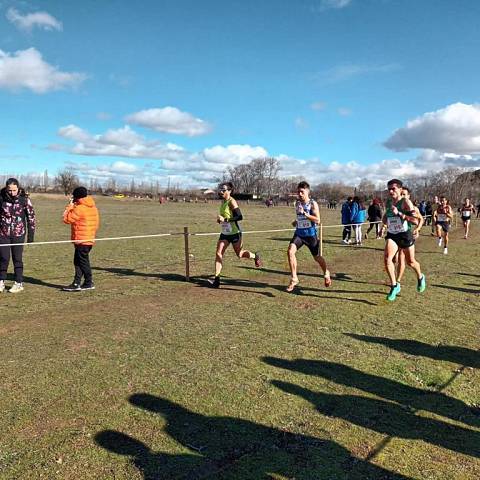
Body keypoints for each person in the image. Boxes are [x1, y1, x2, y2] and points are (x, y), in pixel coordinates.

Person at [209, 182, 261, 288]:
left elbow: (240, 216)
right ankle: (217, 279)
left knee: (240, 254)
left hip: (235, 233)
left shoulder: (231, 202)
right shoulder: (223, 201)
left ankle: (255, 256)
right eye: (220, 189)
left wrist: (226, 219)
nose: (221, 191)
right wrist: (221, 220)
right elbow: (225, 216)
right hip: (225, 233)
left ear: (229, 191)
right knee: (218, 254)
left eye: (223, 190)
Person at [382, 179, 426, 302]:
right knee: (387, 258)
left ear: (400, 190)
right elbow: (387, 215)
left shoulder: (406, 202)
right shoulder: (389, 202)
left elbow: (415, 220)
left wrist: (400, 214)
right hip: (392, 234)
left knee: (410, 262)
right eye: (389, 189)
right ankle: (394, 285)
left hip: (405, 234)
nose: (390, 191)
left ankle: (421, 277)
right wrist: (384, 225)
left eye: (393, 189)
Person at [286, 181, 331, 292]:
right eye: (298, 192)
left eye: (302, 192)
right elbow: (300, 217)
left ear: (307, 192)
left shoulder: (312, 204)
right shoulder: (297, 204)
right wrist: (296, 222)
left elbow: (318, 220)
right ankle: (294, 278)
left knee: (317, 258)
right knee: (290, 251)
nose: (300, 194)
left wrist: (305, 214)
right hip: (299, 234)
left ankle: (326, 273)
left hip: (310, 236)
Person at [0, 178, 36, 293]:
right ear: (6, 189)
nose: (12, 193)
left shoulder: (24, 200)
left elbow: (31, 218)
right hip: (3, 234)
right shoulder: (1, 199)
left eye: (14, 190)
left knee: (17, 258)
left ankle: (18, 282)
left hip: (18, 234)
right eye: (10, 190)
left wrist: (30, 237)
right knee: (3, 258)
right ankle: (1, 281)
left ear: (18, 188)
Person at [62, 187, 100, 291]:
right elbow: (96, 224)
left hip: (81, 240)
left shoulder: (79, 208)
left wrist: (69, 206)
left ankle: (88, 282)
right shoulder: (93, 207)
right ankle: (76, 283)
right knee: (78, 261)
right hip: (89, 238)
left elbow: (66, 219)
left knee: (82, 262)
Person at [396, 187, 424, 284]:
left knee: (410, 262)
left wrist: (417, 229)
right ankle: (397, 282)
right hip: (397, 235)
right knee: (400, 258)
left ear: (408, 196)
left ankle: (420, 276)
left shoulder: (413, 208)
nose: (402, 196)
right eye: (401, 194)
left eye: (404, 194)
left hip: (407, 235)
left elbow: (420, 219)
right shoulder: (396, 206)